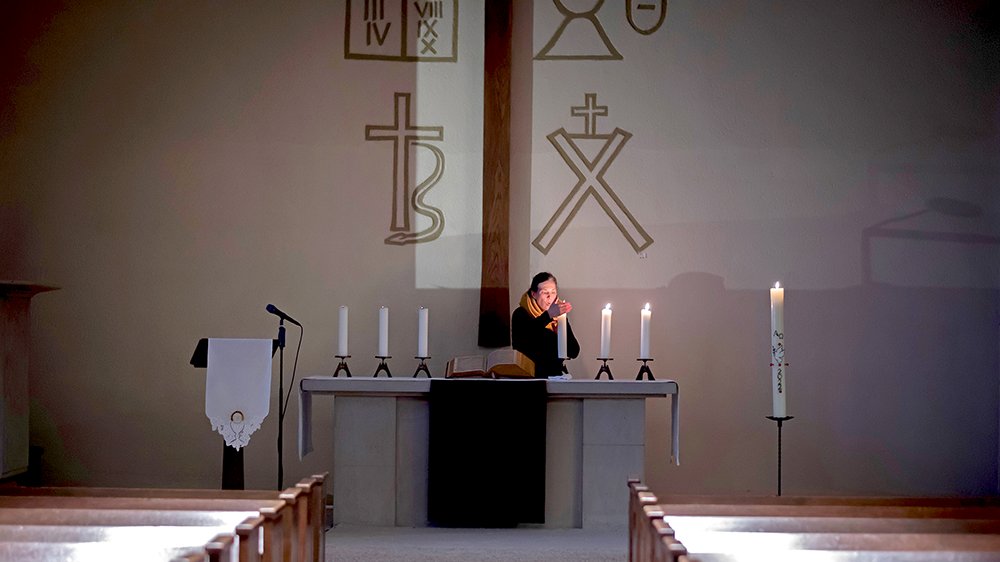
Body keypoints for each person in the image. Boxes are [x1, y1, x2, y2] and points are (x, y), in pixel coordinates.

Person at [511, 272, 580, 378]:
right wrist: (548, 315)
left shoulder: (558, 318)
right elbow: (525, 340)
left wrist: (561, 329)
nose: (550, 297)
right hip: (529, 376)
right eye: (545, 292)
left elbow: (574, 351)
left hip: (556, 376)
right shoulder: (521, 314)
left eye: (553, 292)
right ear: (534, 294)